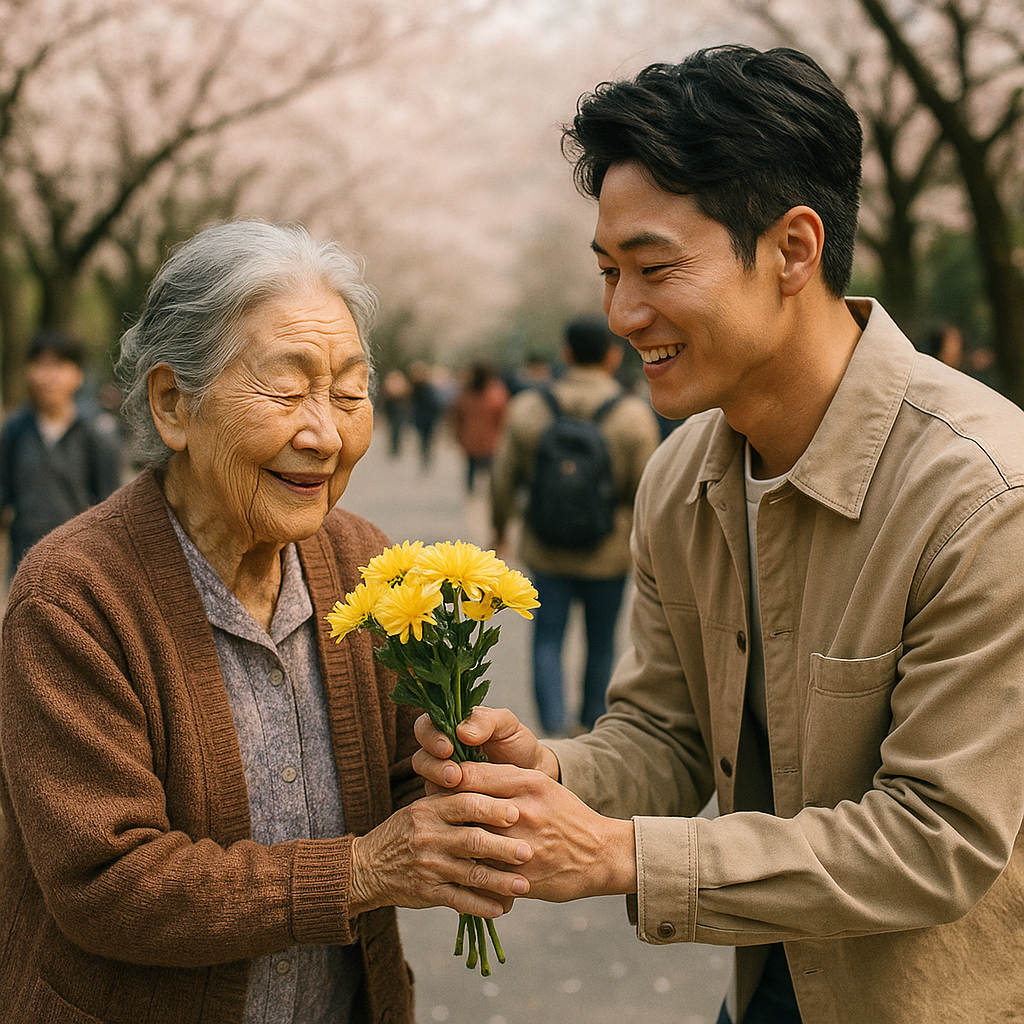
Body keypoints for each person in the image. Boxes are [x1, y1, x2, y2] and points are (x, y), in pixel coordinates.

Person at [414, 45, 1024, 1024]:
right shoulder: (679, 474)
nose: (621, 313)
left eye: (655, 268)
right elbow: (670, 730)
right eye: (610, 272)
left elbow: (936, 837)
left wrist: (619, 855)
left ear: (793, 249)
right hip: (765, 990)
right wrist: (551, 774)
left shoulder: (983, 494)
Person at [0, 221, 531, 1024]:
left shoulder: (363, 561)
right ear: (174, 404)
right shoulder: (73, 596)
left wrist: (462, 778)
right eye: (286, 391)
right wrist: (360, 872)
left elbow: (389, 784)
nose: (326, 433)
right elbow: (106, 883)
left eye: (350, 394)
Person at [489, 316, 660, 736]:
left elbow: (503, 476)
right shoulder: (633, 414)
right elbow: (650, 492)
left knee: (547, 637)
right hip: (609, 552)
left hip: (546, 546)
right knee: (601, 642)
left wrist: (500, 527)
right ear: (613, 355)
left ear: (565, 354)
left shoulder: (529, 407)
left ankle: (551, 729)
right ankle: (589, 726)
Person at [0, 328, 122, 578]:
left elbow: (110, 506)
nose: (48, 376)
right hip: (24, 563)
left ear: (77, 374)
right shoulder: (15, 431)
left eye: (58, 365)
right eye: (40, 365)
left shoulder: (95, 432)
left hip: (80, 564)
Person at [450, 360, 510, 493]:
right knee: (491, 470)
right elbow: (503, 417)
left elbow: (457, 415)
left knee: (471, 467)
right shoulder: (497, 392)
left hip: (470, 437)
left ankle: (470, 493)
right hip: (491, 439)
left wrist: (457, 434)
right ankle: (490, 494)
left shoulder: (465, 392)